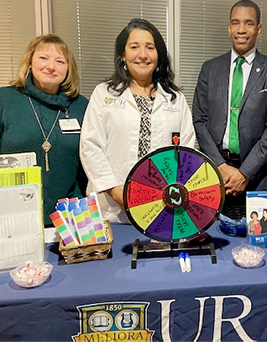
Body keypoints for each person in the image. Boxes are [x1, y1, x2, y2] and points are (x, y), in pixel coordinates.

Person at [80, 18, 195, 223]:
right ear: (123, 55)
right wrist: (119, 194)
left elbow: (186, 149)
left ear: (158, 55)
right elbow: (90, 146)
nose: (142, 55)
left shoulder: (175, 99)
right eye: (134, 47)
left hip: (162, 207)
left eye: (150, 47)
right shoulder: (104, 94)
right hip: (111, 210)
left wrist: (172, 193)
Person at [0, 34, 88, 227]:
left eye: (60, 61)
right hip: (11, 218)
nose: (51, 66)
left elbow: (90, 162)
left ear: (68, 69)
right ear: (30, 62)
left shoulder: (81, 106)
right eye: (43, 58)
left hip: (71, 221)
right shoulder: (2, 100)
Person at [192, 0, 267, 218]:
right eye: (236, 23)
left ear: (259, 29)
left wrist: (245, 173)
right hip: (216, 175)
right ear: (229, 28)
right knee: (216, 241)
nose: (242, 29)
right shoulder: (210, 69)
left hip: (258, 178)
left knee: (258, 244)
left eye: (249, 23)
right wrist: (221, 165)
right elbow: (199, 120)